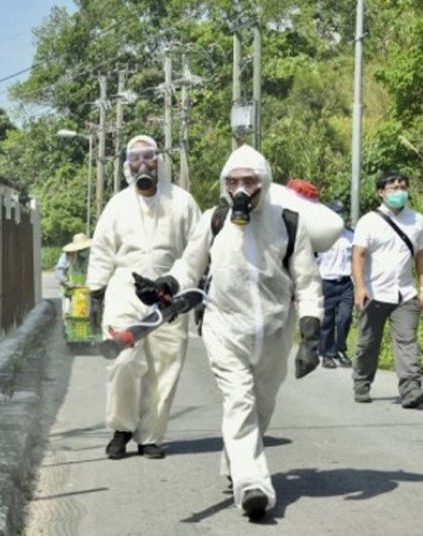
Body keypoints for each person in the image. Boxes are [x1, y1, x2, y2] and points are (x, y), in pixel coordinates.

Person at [138, 144, 324, 520]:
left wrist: (311, 336)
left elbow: (306, 283)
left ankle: (234, 463)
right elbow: (188, 268)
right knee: (239, 401)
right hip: (224, 327)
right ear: (224, 184)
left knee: (261, 405)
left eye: (249, 180)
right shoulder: (214, 220)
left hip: (274, 332)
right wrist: (164, 286)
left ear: (264, 183)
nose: (241, 188)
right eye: (233, 181)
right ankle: (253, 485)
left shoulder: (289, 222)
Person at [85, 134, 201, 461]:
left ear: (159, 161)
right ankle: (121, 429)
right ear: (127, 166)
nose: (142, 164)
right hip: (125, 289)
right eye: (135, 158)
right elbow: (102, 249)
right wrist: (96, 290)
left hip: (168, 291)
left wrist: (184, 286)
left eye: (148, 156)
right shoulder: (118, 205)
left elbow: (197, 249)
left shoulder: (182, 202)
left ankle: (150, 435)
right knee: (124, 359)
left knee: (165, 366)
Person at [351, 171, 423, 408]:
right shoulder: (369, 221)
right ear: (381, 192)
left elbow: (421, 256)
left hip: (405, 293)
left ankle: (411, 390)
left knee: (407, 341)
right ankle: (361, 383)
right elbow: (358, 255)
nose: (399, 192)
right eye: (393, 188)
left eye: (403, 187)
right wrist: (360, 287)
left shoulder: (417, 220)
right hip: (374, 293)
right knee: (368, 342)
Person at [316, 200, 355, 369]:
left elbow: (358, 259)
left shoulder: (351, 235)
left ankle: (340, 349)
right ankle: (327, 353)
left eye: (343, 213)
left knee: (345, 318)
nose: (341, 216)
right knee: (327, 320)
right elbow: (312, 261)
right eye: (337, 213)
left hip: (346, 282)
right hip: (326, 282)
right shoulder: (321, 237)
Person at [56, 233, 93, 318]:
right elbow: (59, 270)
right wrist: (64, 280)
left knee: (87, 316)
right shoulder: (67, 255)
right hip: (70, 292)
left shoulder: (92, 255)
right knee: (69, 315)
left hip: (87, 291)